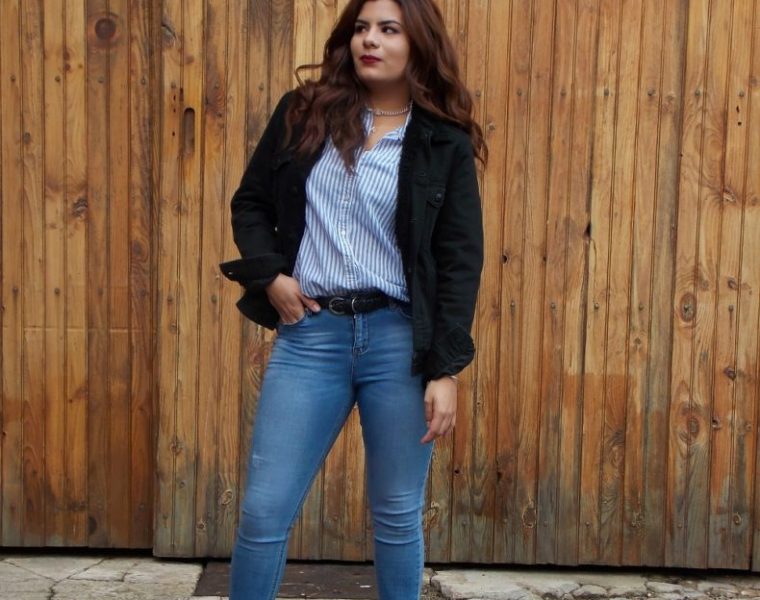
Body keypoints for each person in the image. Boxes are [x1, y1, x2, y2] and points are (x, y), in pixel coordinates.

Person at [219, 0, 485, 597]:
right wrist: (270, 275)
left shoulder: (441, 141)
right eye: (362, 28)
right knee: (263, 510)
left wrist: (445, 369)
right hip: (311, 337)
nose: (371, 40)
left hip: (399, 344)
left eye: (389, 30)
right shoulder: (304, 113)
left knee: (396, 515)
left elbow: (459, 261)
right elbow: (251, 202)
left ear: (417, 43)